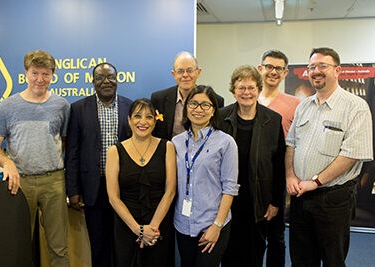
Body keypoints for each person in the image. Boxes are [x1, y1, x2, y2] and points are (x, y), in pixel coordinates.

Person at [286, 47, 373, 267]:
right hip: (300, 197)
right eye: (312, 67)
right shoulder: (304, 106)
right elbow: (291, 143)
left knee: (333, 259)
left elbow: (352, 155)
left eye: (323, 66)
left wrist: (315, 182)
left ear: (338, 70)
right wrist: (290, 176)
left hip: (333, 200)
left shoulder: (355, 107)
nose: (316, 71)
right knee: (301, 259)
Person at [0, 50, 70, 266]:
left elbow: (66, 142)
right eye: (35, 73)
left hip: (55, 182)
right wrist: (8, 163)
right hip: (19, 183)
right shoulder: (8, 106)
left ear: (52, 75)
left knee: (59, 247)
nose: (40, 79)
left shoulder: (62, 106)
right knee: (19, 245)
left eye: (46, 74)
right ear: (25, 73)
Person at [65, 62, 132, 267]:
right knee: (99, 243)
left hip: (123, 188)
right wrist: (73, 190)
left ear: (117, 79)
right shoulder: (78, 109)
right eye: (100, 78)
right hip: (93, 188)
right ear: (93, 82)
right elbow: (73, 151)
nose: (106, 82)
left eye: (110, 77)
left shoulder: (130, 107)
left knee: (123, 242)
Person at [220, 65, 286, 267]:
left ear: (258, 89)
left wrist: (275, 202)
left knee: (254, 253)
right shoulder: (221, 118)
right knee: (229, 252)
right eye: (241, 88)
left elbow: (279, 165)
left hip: (259, 200)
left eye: (251, 88)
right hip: (227, 200)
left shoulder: (273, 121)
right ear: (233, 91)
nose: (246, 93)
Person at [172, 85, 239, 267]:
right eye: (193, 104)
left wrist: (217, 226)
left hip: (211, 224)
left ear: (213, 111)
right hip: (183, 223)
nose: (198, 109)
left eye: (205, 105)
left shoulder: (226, 143)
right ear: (186, 108)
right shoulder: (176, 143)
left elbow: (230, 188)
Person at [105, 98, 176, 267]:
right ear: (129, 120)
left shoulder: (167, 147)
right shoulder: (115, 151)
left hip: (158, 225)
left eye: (149, 117)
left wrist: (152, 228)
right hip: (126, 226)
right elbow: (113, 197)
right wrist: (138, 229)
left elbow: (170, 190)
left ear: (155, 120)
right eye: (137, 116)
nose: (143, 122)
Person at [257, 49, 300, 267]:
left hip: (278, 178)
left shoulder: (295, 105)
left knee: (276, 236)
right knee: (252, 236)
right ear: (260, 69)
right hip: (251, 178)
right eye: (269, 67)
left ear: (285, 73)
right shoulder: (248, 98)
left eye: (278, 68)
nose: (273, 72)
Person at [151, 51, 224, 140]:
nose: (185, 75)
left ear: (198, 72)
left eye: (189, 70)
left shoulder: (215, 101)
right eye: (180, 71)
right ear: (174, 74)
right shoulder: (159, 99)